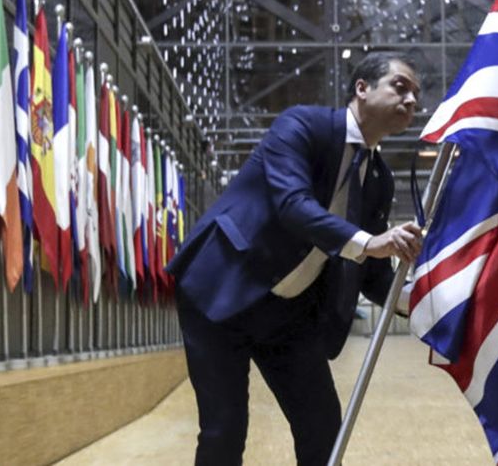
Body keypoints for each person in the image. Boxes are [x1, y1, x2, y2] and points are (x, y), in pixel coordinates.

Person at [165, 52, 424, 466]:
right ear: (362, 88)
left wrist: (425, 301)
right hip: (221, 289)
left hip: (289, 315)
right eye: (400, 86)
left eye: (417, 94)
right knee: (225, 430)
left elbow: (373, 274)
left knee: (323, 427)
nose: (412, 100)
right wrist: (370, 241)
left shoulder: (378, 179)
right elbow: (294, 206)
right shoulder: (301, 124)